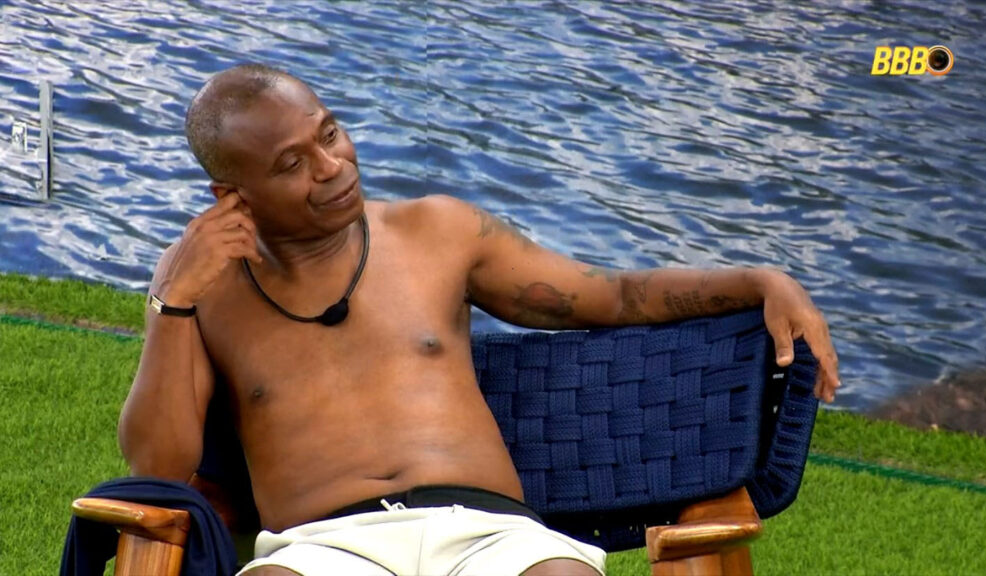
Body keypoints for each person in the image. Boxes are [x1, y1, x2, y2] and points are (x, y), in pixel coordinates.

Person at [119, 63, 840, 576]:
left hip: (490, 536)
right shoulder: (202, 288)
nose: (332, 166)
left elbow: (614, 296)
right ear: (230, 195)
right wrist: (171, 302)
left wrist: (758, 281)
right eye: (291, 164)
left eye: (329, 135)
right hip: (322, 548)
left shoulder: (438, 233)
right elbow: (160, 466)